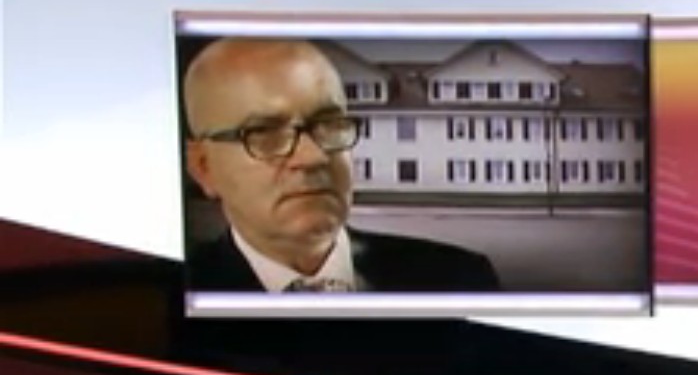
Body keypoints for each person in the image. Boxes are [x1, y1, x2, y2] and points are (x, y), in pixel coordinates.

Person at [181, 37, 501, 294]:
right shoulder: (168, 299)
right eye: (265, 133)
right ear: (203, 167)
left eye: (329, 123)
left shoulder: (460, 280)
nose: (314, 157)